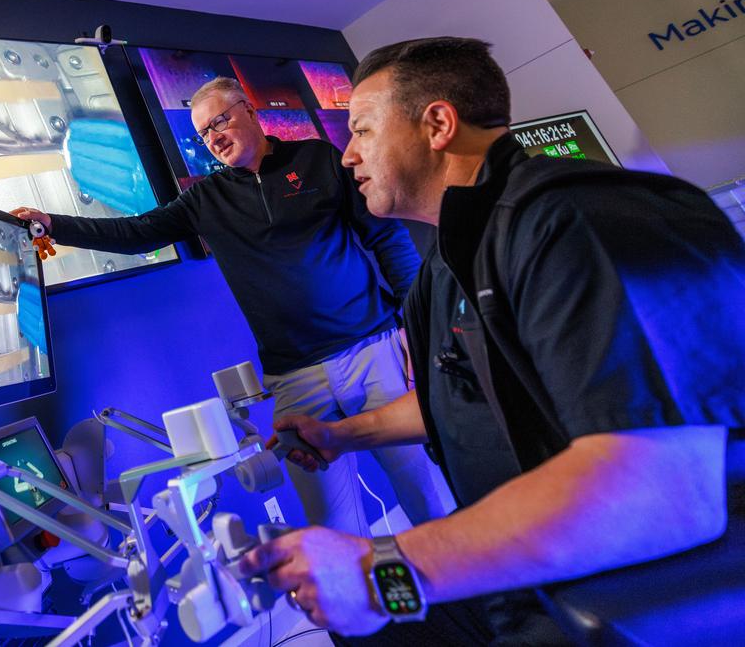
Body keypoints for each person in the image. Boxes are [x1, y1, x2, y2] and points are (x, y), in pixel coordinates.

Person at [243, 36, 745, 643]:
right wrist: (344, 434)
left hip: (642, 600)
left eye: (364, 130)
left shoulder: (575, 219)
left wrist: (384, 570)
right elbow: (466, 396)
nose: (347, 156)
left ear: (437, 124)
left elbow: (663, 487)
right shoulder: (443, 265)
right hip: (529, 587)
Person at [13, 77, 455, 537]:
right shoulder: (207, 199)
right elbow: (135, 233)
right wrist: (52, 224)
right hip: (297, 377)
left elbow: (388, 239)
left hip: (374, 350)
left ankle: (470, 597)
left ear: (249, 110)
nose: (214, 137)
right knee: (333, 526)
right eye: (205, 132)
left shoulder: (317, 159)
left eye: (220, 121)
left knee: (426, 492)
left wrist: (415, 328)